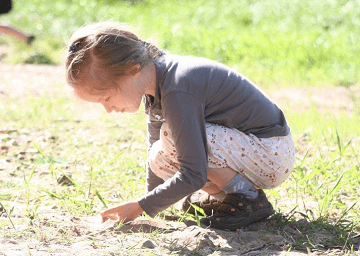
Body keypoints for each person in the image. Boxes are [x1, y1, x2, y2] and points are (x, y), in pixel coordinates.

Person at [65, 21, 296, 231]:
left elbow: (193, 173)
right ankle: (227, 199)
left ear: (132, 70)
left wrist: (141, 207)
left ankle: (248, 198)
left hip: (271, 153)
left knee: (171, 138)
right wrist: (149, 202)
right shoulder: (156, 83)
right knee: (159, 155)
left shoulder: (177, 87)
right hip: (250, 153)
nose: (108, 109)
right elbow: (157, 150)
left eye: (107, 98)